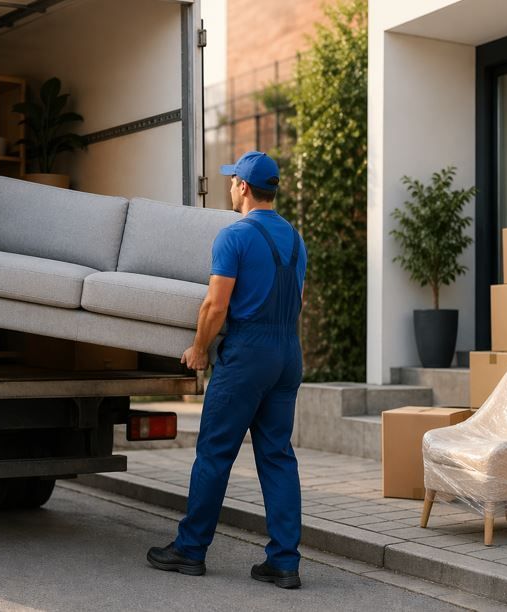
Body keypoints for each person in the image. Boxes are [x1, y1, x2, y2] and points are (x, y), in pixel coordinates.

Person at [146, 151, 308, 588]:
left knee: (215, 453)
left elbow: (216, 305)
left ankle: (190, 550)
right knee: (277, 456)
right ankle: (284, 561)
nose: (230, 186)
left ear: (241, 187)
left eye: (232, 180)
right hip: (287, 351)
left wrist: (199, 348)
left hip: (248, 353)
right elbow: (299, 300)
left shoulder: (233, 236)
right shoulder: (296, 239)